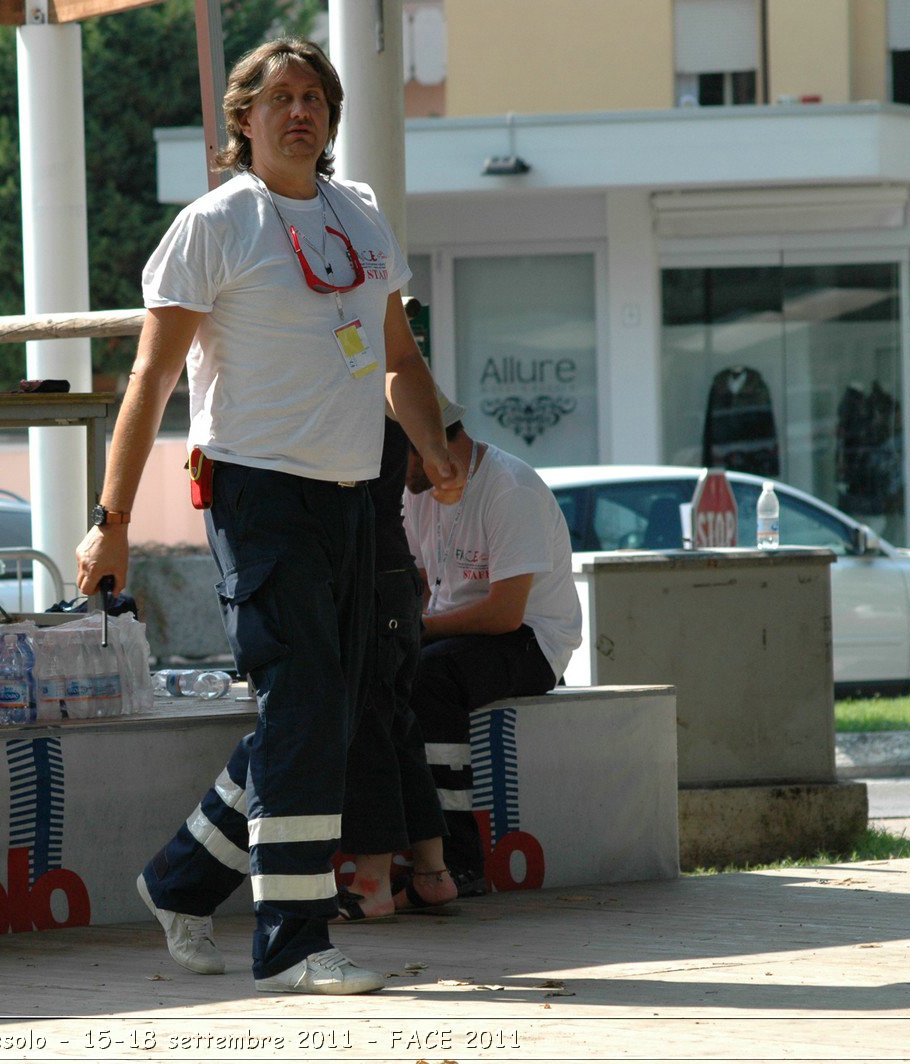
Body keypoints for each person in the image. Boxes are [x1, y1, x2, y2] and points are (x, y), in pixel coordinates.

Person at [75, 37, 463, 995]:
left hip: (354, 493)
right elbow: (151, 380)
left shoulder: (361, 214)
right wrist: (110, 517)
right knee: (307, 705)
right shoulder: (216, 223)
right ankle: (292, 938)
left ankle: (180, 879)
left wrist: (437, 444)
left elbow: (398, 363)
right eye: (280, 97)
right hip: (255, 491)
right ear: (241, 121)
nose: (301, 111)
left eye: (315, 97)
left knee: (324, 708)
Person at [403, 412, 584, 893]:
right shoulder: (418, 489)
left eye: (397, 456)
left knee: (429, 676)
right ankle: (406, 851)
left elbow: (505, 613)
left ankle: (460, 862)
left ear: (429, 444)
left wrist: (421, 631)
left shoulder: (509, 488)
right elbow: (420, 585)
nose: (392, 472)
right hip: (456, 634)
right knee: (392, 666)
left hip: (533, 639)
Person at [337, 405, 458, 921]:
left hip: (368, 578)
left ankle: (371, 884)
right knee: (397, 724)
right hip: (395, 576)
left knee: (371, 730)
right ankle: (432, 872)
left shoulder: (351, 404)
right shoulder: (388, 396)